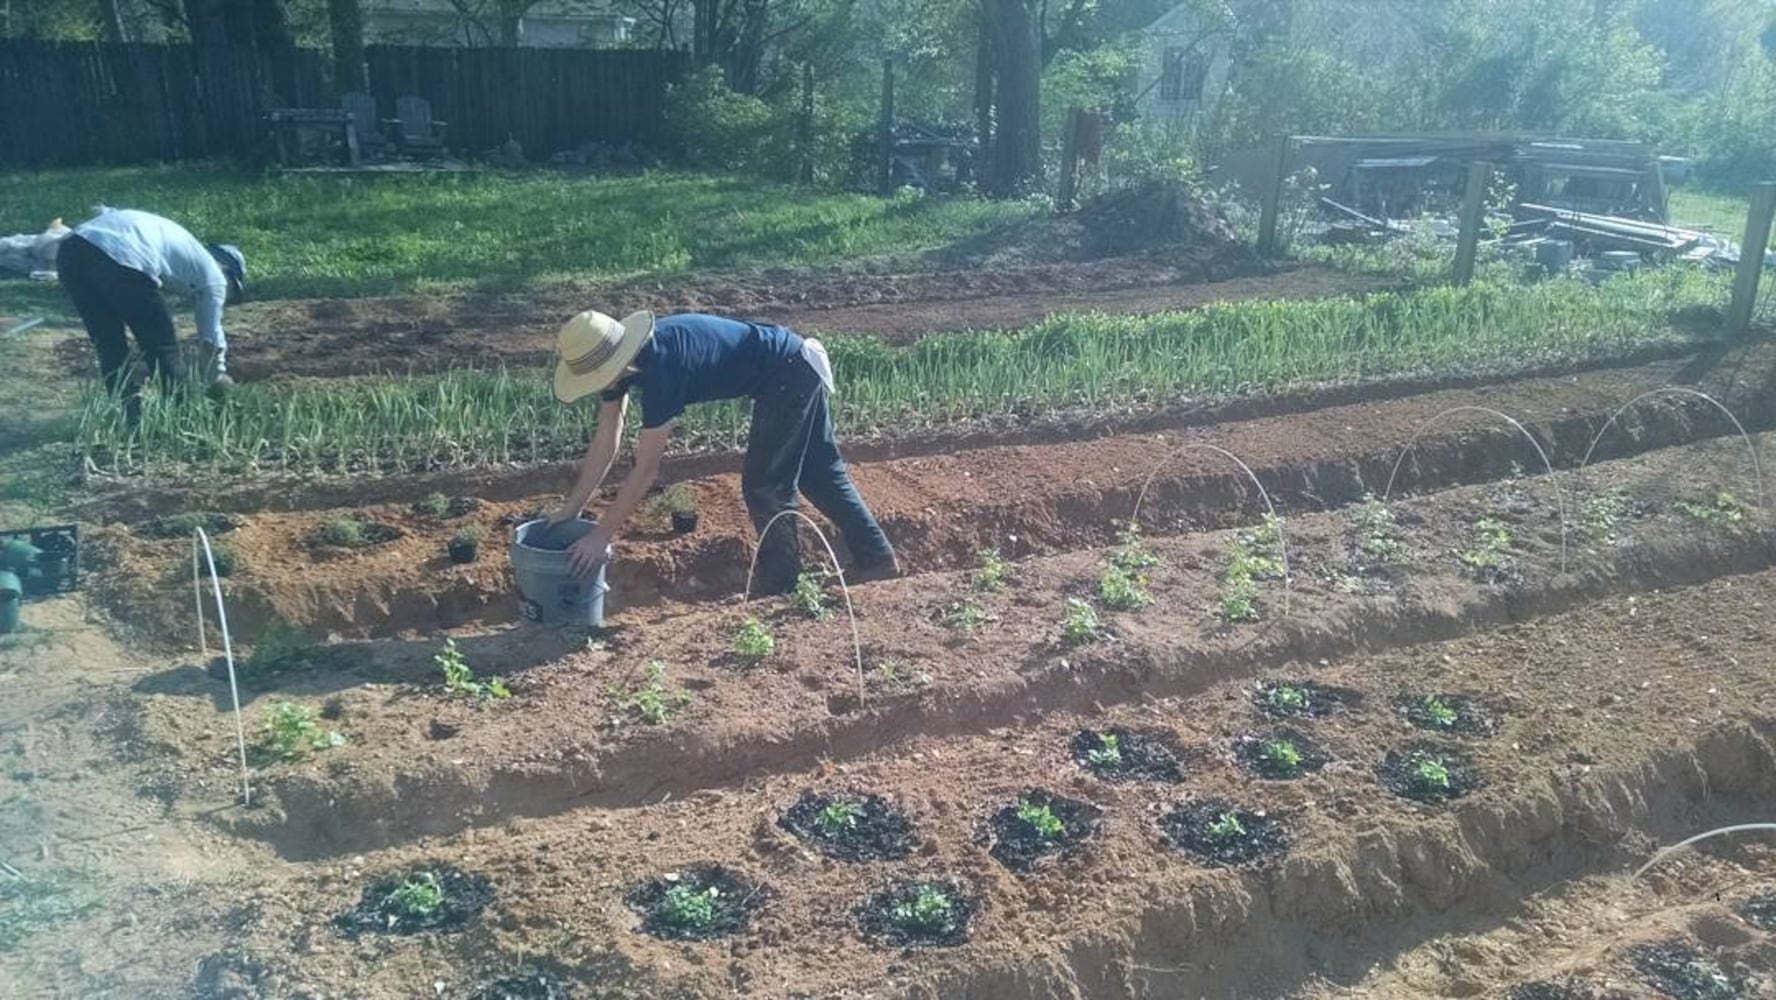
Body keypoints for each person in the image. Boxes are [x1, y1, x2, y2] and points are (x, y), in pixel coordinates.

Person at [548, 310, 898, 592]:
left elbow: (646, 471)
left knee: (765, 485)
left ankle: (781, 585)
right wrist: (572, 509)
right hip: (791, 363)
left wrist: (600, 536)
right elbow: (607, 437)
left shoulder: (663, 368)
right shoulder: (624, 367)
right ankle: (877, 559)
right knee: (819, 474)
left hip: (788, 371)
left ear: (610, 364)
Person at [57, 208, 244, 423]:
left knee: (108, 343)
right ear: (227, 270)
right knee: (162, 346)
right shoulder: (215, 276)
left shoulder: (181, 248)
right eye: (234, 290)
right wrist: (217, 377)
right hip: (121, 253)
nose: (228, 296)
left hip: (71, 250)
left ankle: (128, 418)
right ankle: (183, 419)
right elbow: (211, 341)